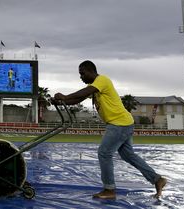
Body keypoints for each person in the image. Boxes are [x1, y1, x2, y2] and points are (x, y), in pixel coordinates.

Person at [52, 60, 166, 200]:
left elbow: (85, 91)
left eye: (82, 74)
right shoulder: (94, 86)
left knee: (104, 153)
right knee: (128, 155)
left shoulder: (102, 80)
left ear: (90, 71)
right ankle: (157, 179)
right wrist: (61, 101)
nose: (81, 77)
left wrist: (65, 96)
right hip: (123, 123)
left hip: (119, 123)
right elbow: (79, 99)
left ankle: (109, 190)